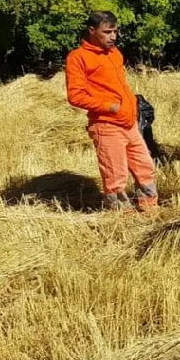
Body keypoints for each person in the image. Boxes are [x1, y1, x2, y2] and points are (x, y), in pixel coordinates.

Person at [65, 11, 159, 212]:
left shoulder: (115, 53)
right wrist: (109, 106)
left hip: (129, 123)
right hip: (106, 126)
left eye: (115, 32)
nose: (113, 37)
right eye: (107, 32)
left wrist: (130, 106)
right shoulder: (78, 58)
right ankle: (122, 218)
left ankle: (150, 210)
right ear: (92, 31)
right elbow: (75, 96)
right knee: (116, 177)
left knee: (145, 167)